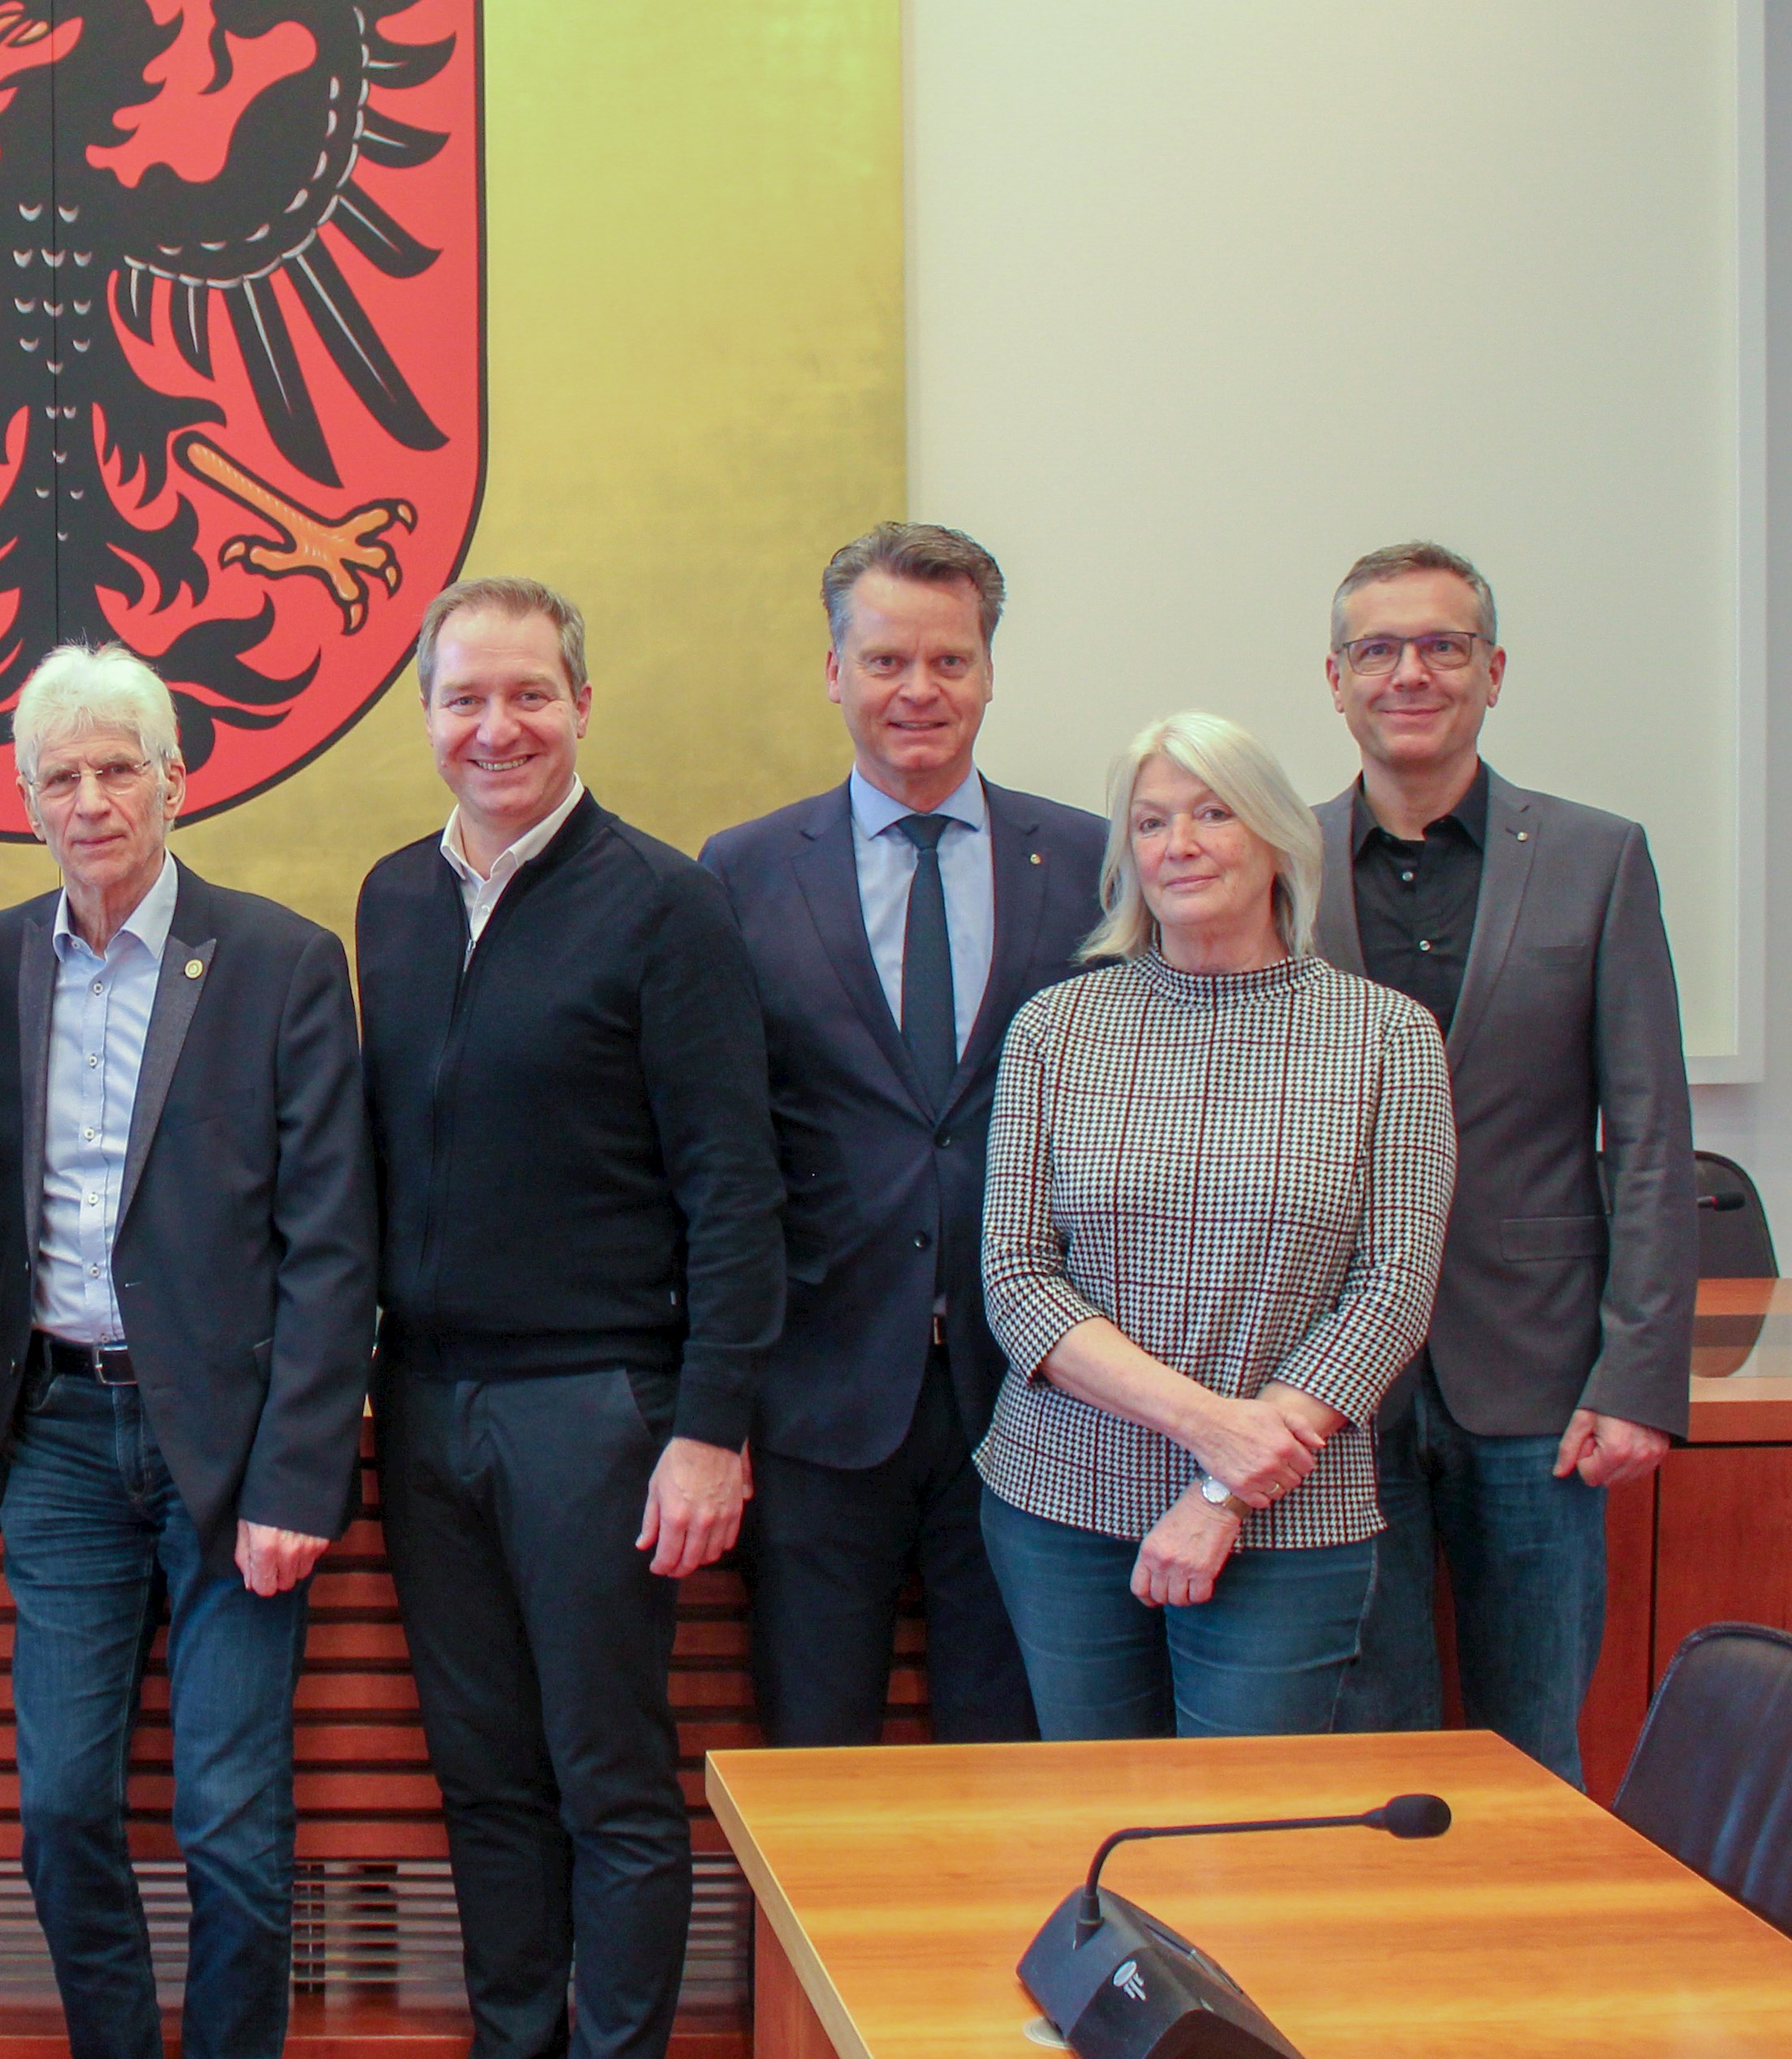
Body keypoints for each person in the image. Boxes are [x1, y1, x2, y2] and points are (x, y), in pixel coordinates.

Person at [0, 644, 377, 2059]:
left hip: (231, 1451)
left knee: (230, 1820)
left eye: (120, 767)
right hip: (55, 1435)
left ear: (179, 780)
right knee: (60, 1806)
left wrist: (299, 1479)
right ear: (24, 799)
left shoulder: (284, 961)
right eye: (60, 774)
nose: (92, 798)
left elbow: (329, 1242)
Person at [354, 576, 786, 2059]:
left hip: (599, 1410)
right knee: (483, 1777)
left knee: (607, 1777)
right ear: (424, 718)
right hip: (422, 1407)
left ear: (583, 705)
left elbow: (737, 1192)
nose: (497, 727)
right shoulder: (392, 899)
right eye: (464, 698)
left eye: (528, 693)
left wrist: (708, 1430)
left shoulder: (666, 905)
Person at [703, 523, 1107, 1749]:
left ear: (989, 670)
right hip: (821, 1390)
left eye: (948, 660)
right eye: (885, 661)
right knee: (812, 1753)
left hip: (1040, 1392)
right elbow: (725, 1143)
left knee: (1016, 1748)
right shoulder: (745, 870)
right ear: (834, 672)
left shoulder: (1092, 861)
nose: (917, 691)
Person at [978, 712, 1456, 1739]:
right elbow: (1018, 1275)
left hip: (1287, 1518)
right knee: (1093, 1828)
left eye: (1211, 813)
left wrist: (1224, 1488)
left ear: (1279, 840)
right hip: (1061, 1500)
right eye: (1150, 822)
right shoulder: (1057, 1026)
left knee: (1238, 1854)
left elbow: (1390, 1291)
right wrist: (1212, 1428)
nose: (1178, 843)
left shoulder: (1386, 1036)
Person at [1311, 543, 1695, 1782]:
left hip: (1539, 1378)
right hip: (1333, 1381)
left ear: (1493, 670)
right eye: (1379, 648)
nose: (1410, 672)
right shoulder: (1278, 861)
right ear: (1335, 678)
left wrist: (1640, 1374)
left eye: (1443, 646)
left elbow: (1648, 1133)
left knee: (1533, 1744)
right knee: (1373, 1743)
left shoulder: (1596, 857)